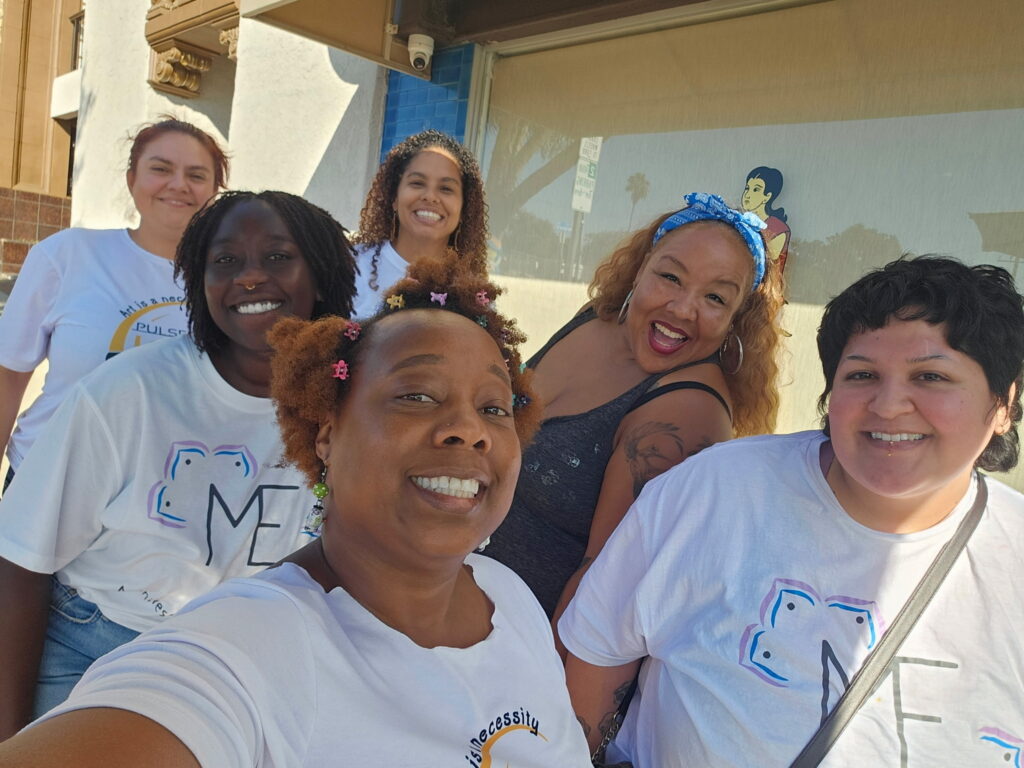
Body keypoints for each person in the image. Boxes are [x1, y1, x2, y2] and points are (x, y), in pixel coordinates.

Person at [0, 257, 593, 768]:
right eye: (416, 395)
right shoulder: (248, 649)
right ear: (327, 435)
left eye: (494, 407)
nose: (470, 430)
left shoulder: (508, 598)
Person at [561, 256, 1024, 767]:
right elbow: (596, 654)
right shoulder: (717, 491)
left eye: (931, 376)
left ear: (1003, 405)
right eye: (862, 374)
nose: (889, 405)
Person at [0, 190, 357, 738]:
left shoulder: (354, 403)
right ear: (198, 280)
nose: (251, 277)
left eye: (279, 256)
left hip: (253, 659)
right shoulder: (128, 392)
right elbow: (21, 562)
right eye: (225, 261)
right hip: (98, 642)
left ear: (323, 272)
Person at [483, 193, 784, 627]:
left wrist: (538, 689)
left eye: (716, 298)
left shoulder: (687, 410)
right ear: (641, 268)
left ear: (736, 319)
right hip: (451, 607)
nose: (682, 309)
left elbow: (604, 589)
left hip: (517, 654)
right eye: (670, 277)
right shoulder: (594, 318)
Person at [0, 117, 229, 496]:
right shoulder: (68, 254)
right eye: (160, 169)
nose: (178, 184)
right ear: (131, 180)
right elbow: (8, 376)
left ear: (214, 192)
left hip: (157, 499)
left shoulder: (230, 282)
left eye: (196, 175)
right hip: (44, 482)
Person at [350, 129, 489, 318]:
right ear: (394, 197)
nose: (430, 197)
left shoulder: (474, 295)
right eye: (417, 183)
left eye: (446, 188)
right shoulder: (350, 267)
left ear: (464, 209)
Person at [741, 166, 791, 272]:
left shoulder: (778, 229)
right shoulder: (740, 222)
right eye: (747, 188)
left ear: (767, 197)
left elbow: (764, 263)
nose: (747, 195)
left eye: (756, 190)